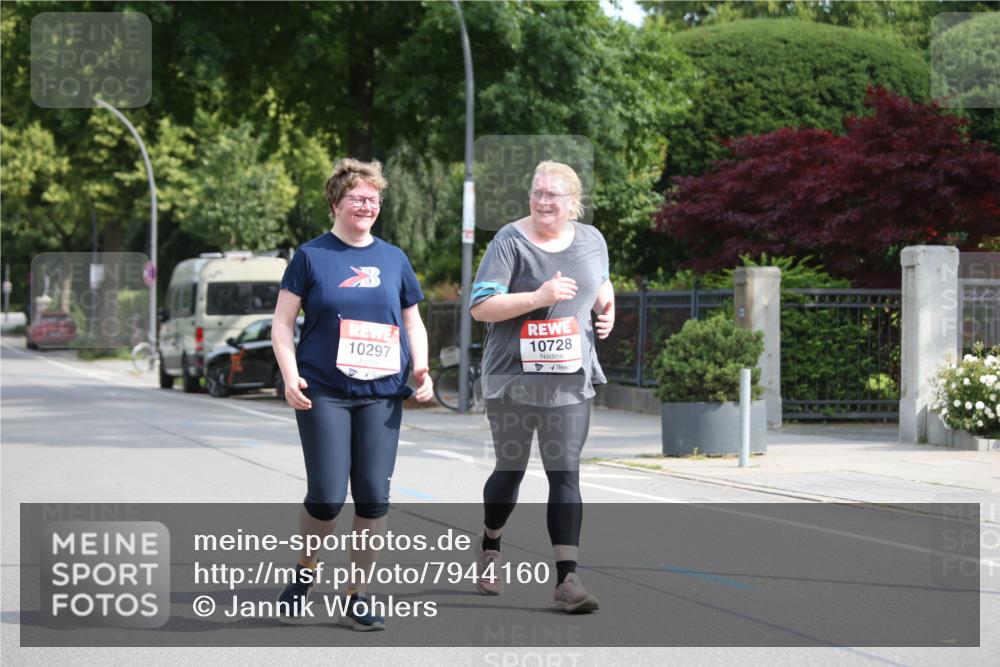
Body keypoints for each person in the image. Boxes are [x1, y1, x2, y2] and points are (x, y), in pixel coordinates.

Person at [271, 157, 434, 631]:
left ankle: (357, 594)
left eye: (375, 199)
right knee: (325, 497)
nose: (368, 205)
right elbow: (282, 323)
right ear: (336, 203)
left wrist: (420, 367)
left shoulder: (394, 259)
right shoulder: (311, 256)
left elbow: (412, 321)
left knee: (372, 499)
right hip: (323, 390)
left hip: (381, 394)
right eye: (359, 198)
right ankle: (305, 570)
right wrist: (289, 374)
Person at [469, 160, 614, 613]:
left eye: (553, 194)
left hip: (569, 378)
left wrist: (608, 308)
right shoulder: (509, 241)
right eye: (537, 192)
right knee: (510, 471)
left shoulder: (592, 240)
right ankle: (491, 544)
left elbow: (600, 283)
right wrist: (538, 298)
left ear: (574, 202)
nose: (543, 201)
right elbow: (481, 307)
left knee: (565, 473)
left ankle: (566, 581)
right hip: (512, 377)